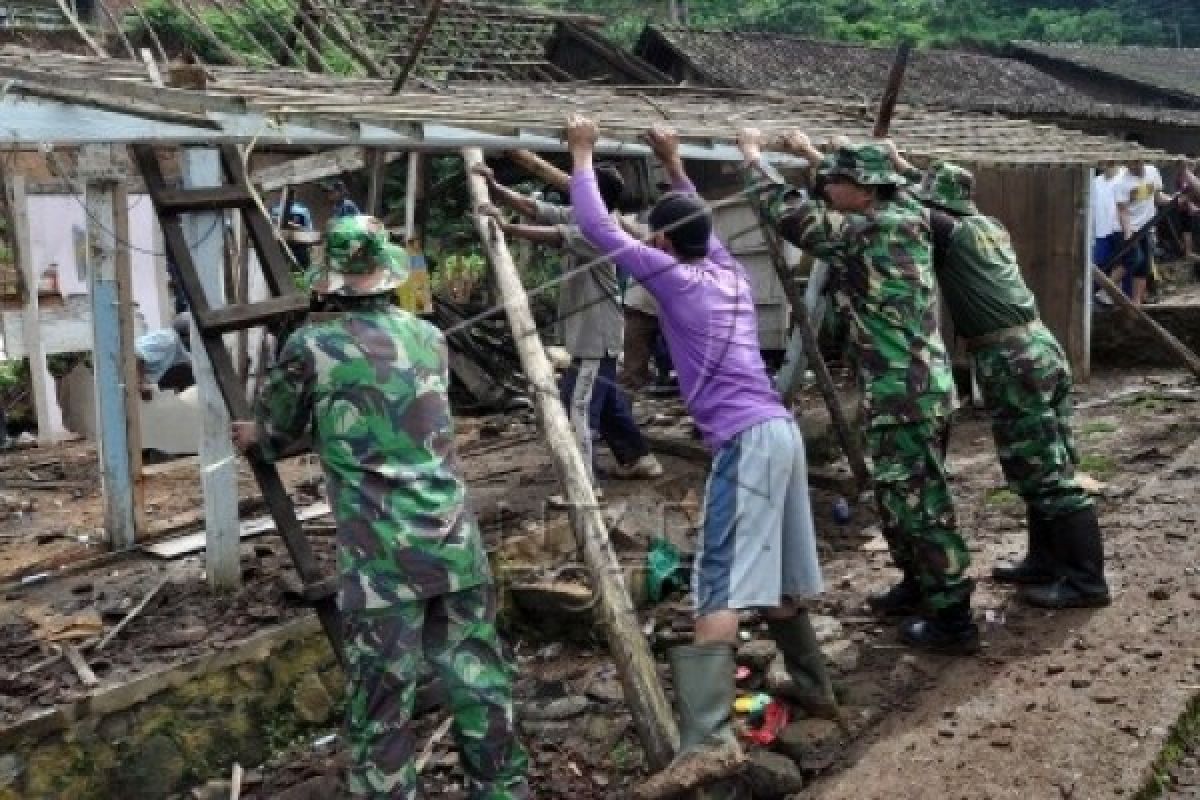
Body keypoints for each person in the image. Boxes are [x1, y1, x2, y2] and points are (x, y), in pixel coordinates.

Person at [564, 116, 833, 794]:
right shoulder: (726, 272)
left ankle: (708, 739)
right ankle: (813, 687)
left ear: (659, 240)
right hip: (781, 432)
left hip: (745, 440)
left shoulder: (676, 278)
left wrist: (582, 151)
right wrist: (675, 162)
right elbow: (698, 224)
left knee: (718, 582)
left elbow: (599, 231)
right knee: (778, 580)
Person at [231, 215, 528, 800]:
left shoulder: (309, 346)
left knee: (384, 703)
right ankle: (503, 791)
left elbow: (275, 435)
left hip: (382, 559)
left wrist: (253, 436)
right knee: (479, 682)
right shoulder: (430, 339)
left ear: (330, 280)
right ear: (387, 274)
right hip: (453, 540)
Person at [738, 129, 978, 655]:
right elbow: (876, 184)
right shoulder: (909, 214)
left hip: (904, 394)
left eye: (837, 180)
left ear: (866, 191)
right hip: (920, 386)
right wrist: (809, 154)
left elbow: (790, 212)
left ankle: (954, 618)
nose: (827, 184)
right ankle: (919, 587)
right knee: (899, 498)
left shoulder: (863, 232)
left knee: (921, 506)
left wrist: (754, 157)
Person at [888, 151, 1110, 609]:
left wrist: (846, 162)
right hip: (1040, 345)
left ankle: (1087, 583)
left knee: (1043, 470)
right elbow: (929, 197)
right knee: (1048, 459)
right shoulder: (988, 225)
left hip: (1010, 356)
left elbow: (907, 203)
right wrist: (902, 163)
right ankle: (1045, 561)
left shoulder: (946, 228)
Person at [472, 161, 663, 489]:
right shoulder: (585, 216)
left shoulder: (604, 230)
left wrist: (508, 229)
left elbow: (556, 237)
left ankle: (583, 488)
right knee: (604, 405)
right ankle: (639, 459)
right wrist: (497, 189)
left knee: (578, 410)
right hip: (591, 335)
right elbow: (539, 209)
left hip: (595, 336)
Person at [1114, 159, 1171, 306]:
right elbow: (1122, 210)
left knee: (1144, 266)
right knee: (1134, 259)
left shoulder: (1152, 171)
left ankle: (1136, 301)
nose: (1134, 167)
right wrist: (1128, 231)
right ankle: (1102, 287)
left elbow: (1158, 197)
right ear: (1126, 164)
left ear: (1141, 161)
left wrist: (1173, 200)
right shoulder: (1121, 182)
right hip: (1130, 228)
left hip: (1148, 227)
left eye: (1137, 163)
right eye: (1130, 164)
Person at [1091, 161, 1128, 303]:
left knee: (1123, 263)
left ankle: (1111, 295)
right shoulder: (1095, 182)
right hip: (1101, 231)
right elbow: (1092, 209)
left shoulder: (1124, 177)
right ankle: (1104, 296)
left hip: (1119, 229)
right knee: (1101, 265)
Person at [135, 313, 194, 400]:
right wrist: (141, 383)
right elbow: (136, 355)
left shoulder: (176, 347)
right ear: (187, 335)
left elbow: (190, 361)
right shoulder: (168, 339)